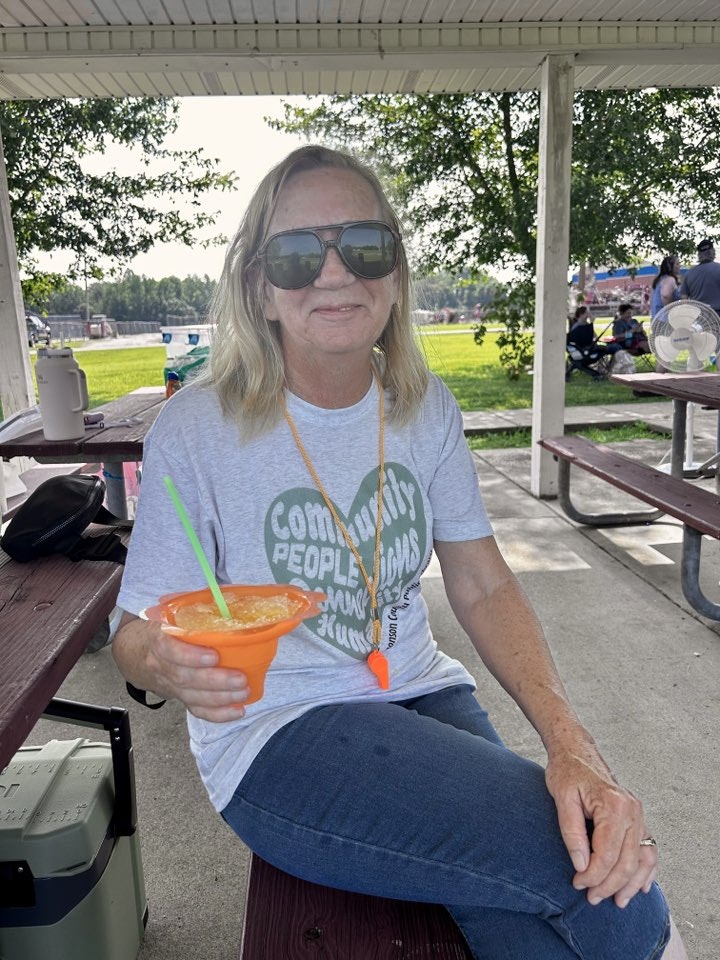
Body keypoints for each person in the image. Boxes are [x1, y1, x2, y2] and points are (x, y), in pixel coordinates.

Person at [112, 145, 686, 960]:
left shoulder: (423, 406)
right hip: (278, 731)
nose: (334, 273)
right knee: (615, 901)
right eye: (297, 253)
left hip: (419, 688)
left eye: (364, 245)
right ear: (259, 288)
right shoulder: (199, 429)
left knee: (565, 904)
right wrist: (163, 662)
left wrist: (572, 745)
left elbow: (482, 585)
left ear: (396, 270)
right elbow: (131, 635)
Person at [680, 238, 720, 314]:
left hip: (699, 317)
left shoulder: (689, 274)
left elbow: (683, 299)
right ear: (713, 252)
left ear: (699, 255)